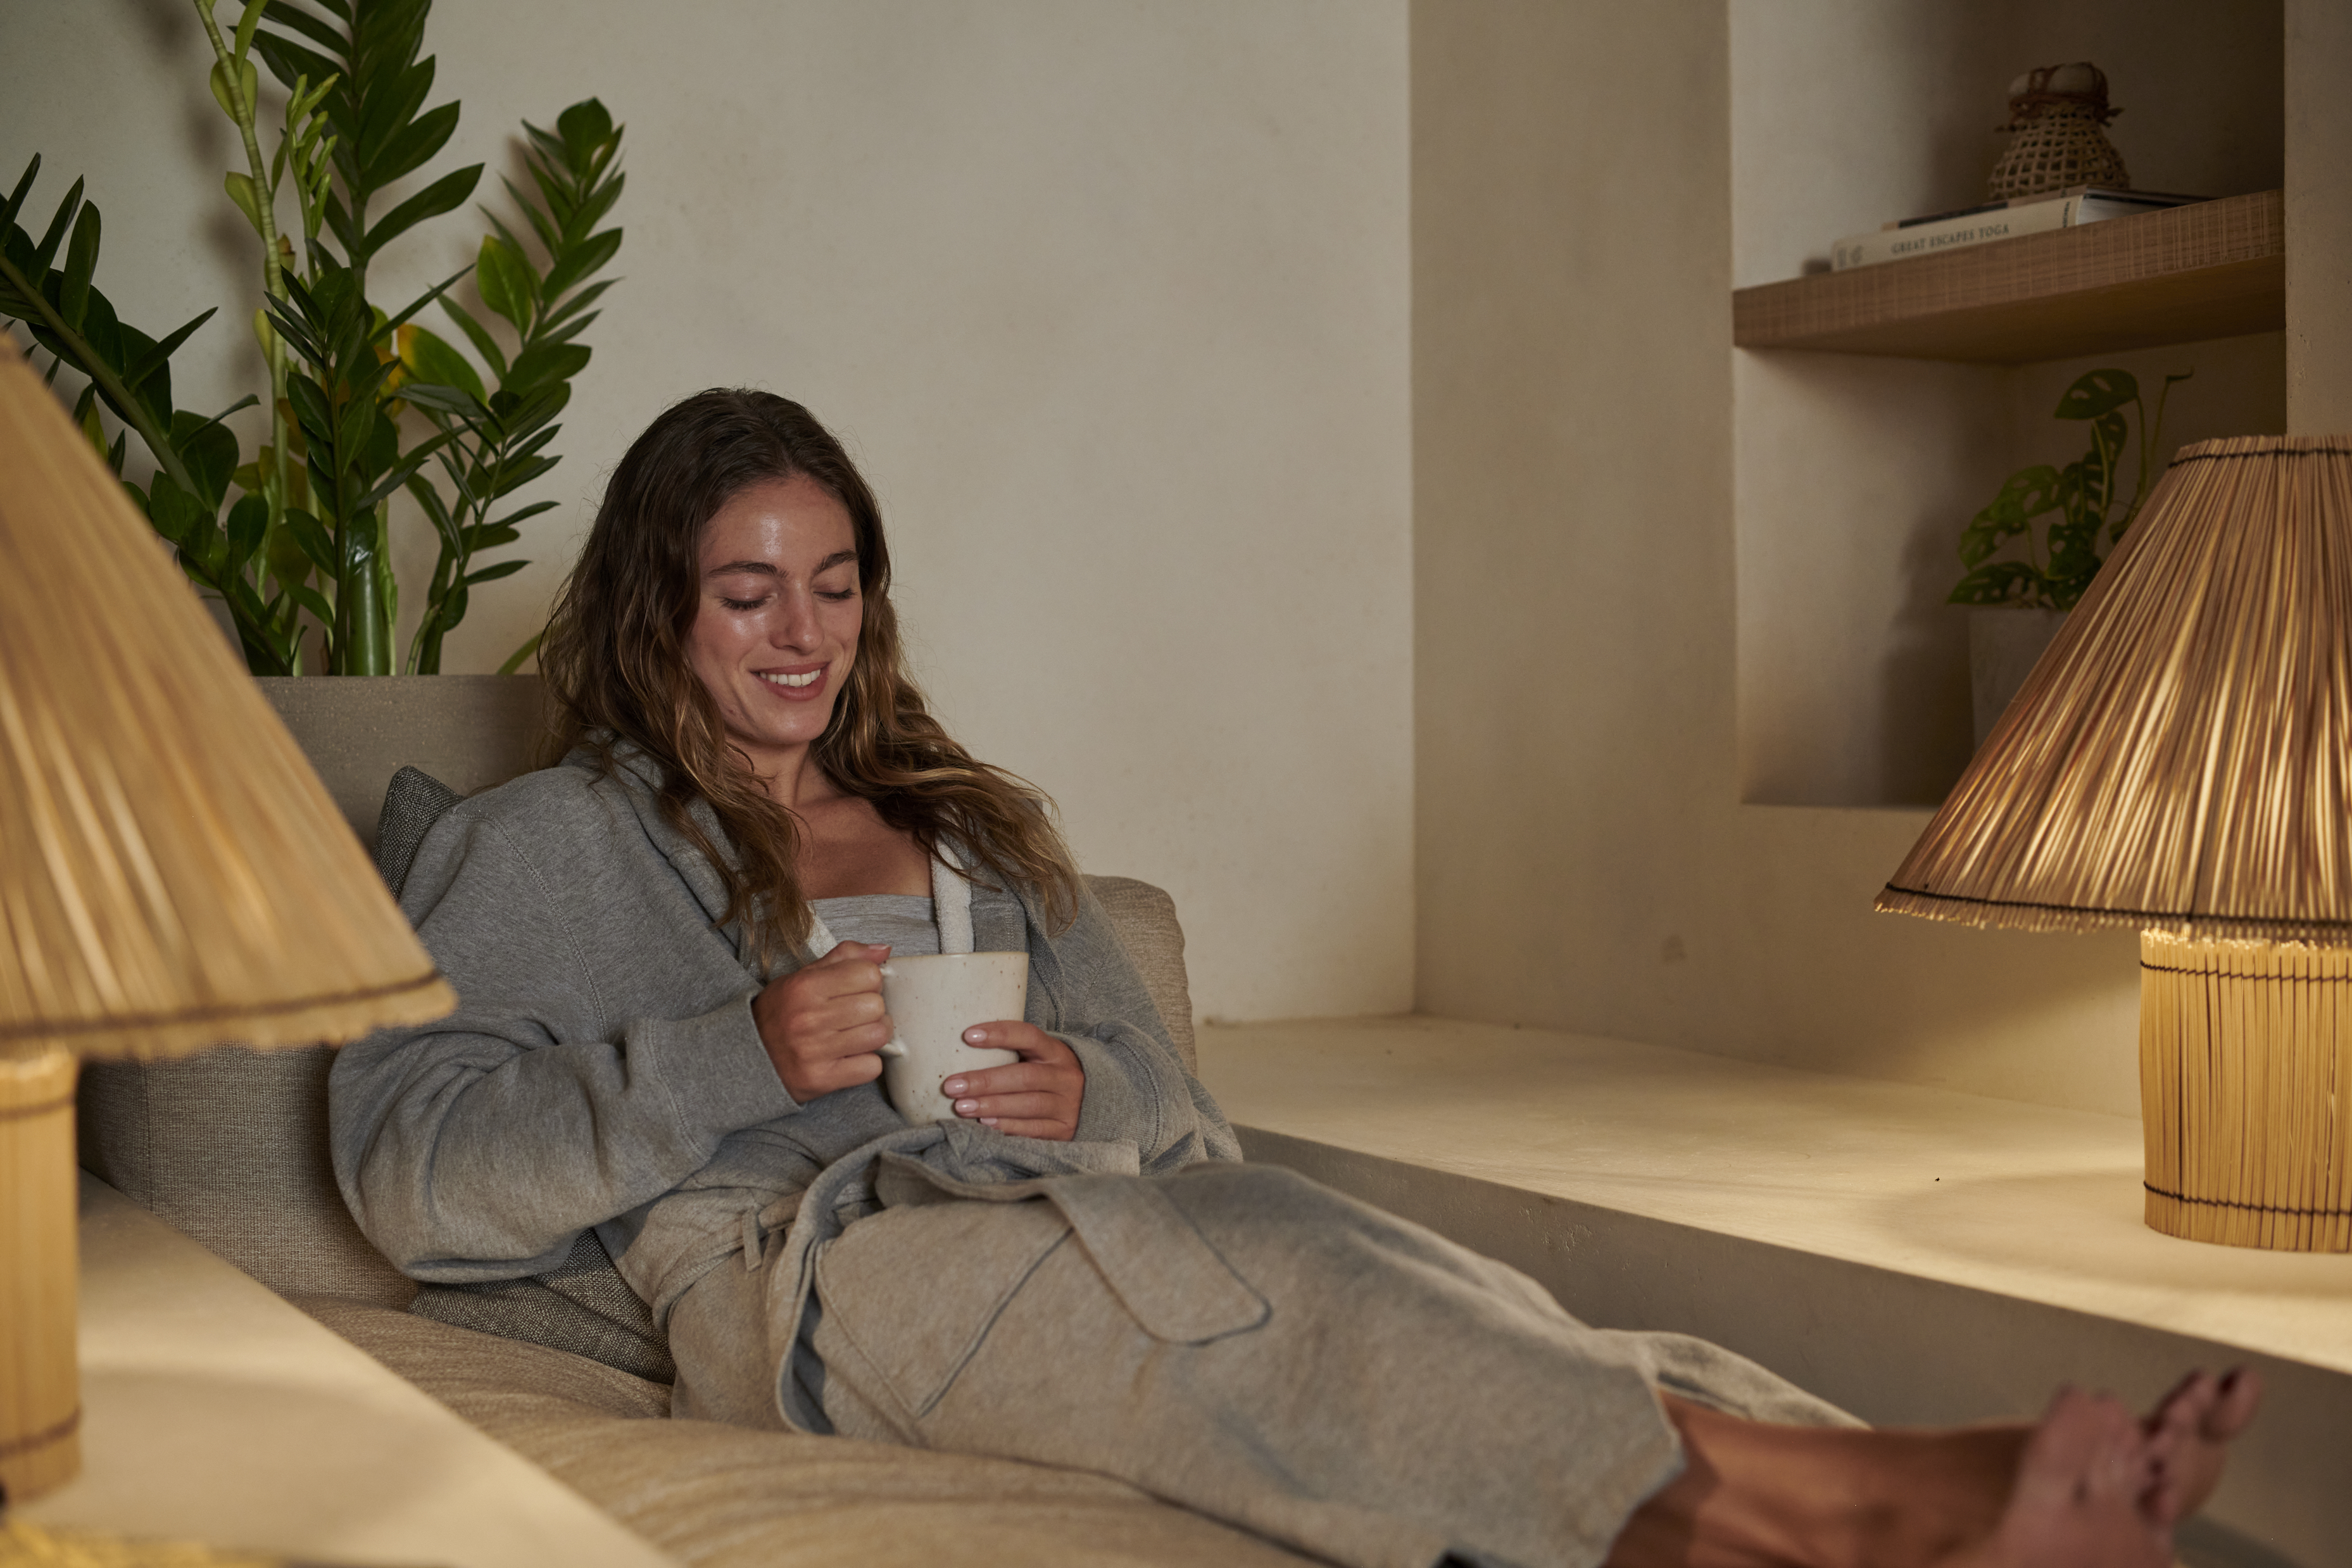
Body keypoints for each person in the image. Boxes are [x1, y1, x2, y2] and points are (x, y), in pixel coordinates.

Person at [330, 389, 2258, 1568]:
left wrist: (1096, 1089)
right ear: (657, 604)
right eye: (748, 590)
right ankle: (1878, 1512)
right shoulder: (546, 848)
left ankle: (1901, 1485)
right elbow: (408, 1172)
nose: (800, 635)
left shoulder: (973, 826)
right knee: (1296, 1293)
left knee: (1355, 1259)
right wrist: (730, 1055)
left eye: (834, 584)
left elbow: (1176, 1107)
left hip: (1064, 1204)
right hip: (826, 1280)